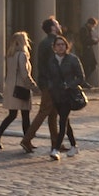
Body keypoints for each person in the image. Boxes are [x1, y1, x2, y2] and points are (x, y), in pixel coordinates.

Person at [21, 17, 62, 154]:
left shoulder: (46, 42)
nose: (59, 25)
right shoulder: (52, 43)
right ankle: (27, 139)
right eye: (57, 24)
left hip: (49, 81)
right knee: (45, 111)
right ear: (52, 28)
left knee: (53, 114)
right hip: (51, 83)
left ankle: (56, 143)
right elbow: (53, 65)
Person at [0, 31, 38, 148]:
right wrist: (33, 86)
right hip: (21, 87)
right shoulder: (22, 55)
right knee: (25, 115)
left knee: (12, 115)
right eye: (25, 40)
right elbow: (24, 74)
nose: (27, 42)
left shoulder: (10, 55)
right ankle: (26, 141)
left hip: (11, 87)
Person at [47, 34, 86, 160]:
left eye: (62, 44)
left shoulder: (73, 59)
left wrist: (69, 85)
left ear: (66, 46)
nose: (60, 47)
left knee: (62, 121)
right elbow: (48, 76)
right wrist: (50, 86)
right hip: (56, 95)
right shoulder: (51, 60)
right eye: (58, 45)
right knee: (66, 122)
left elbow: (81, 77)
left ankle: (56, 149)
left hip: (68, 95)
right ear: (54, 47)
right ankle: (74, 145)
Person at [79, 17, 99, 87]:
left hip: (89, 50)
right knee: (87, 66)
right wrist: (95, 41)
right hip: (85, 50)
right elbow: (85, 41)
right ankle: (82, 81)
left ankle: (83, 80)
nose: (93, 27)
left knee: (93, 65)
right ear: (90, 24)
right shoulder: (84, 29)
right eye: (93, 25)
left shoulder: (88, 30)